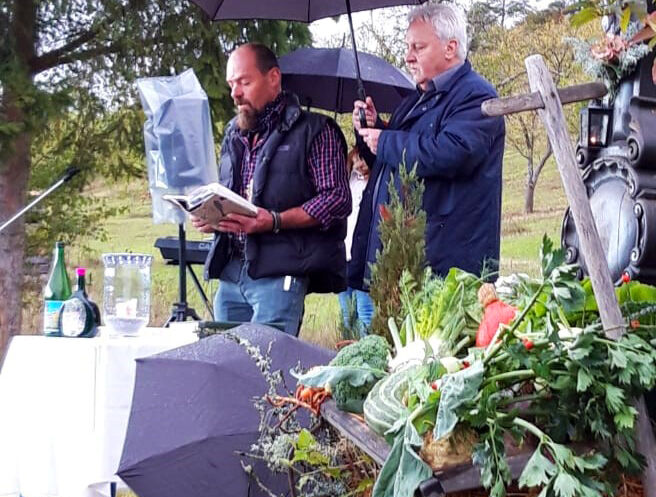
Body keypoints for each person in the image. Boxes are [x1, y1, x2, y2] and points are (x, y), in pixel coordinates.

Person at [192, 43, 350, 336]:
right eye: (231, 84)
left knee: (267, 370)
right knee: (227, 371)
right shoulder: (233, 133)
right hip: (230, 272)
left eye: (244, 82)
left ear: (274, 78)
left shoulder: (316, 130)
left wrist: (274, 220)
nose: (235, 93)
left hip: (280, 274)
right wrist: (211, 216)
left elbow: (337, 199)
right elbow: (232, 194)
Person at [349, 3, 505, 292]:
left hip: (446, 269)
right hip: (408, 262)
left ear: (450, 48)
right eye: (407, 47)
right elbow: (392, 164)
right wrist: (374, 130)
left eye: (418, 47)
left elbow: (450, 153)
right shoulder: (415, 99)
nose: (408, 57)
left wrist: (385, 140)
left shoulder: (476, 96)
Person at [338, 147, 374, 334]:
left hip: (364, 256)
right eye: (358, 159)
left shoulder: (375, 184)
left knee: (365, 310)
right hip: (345, 252)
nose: (360, 165)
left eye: (365, 160)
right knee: (346, 312)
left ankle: (367, 351)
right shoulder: (348, 181)